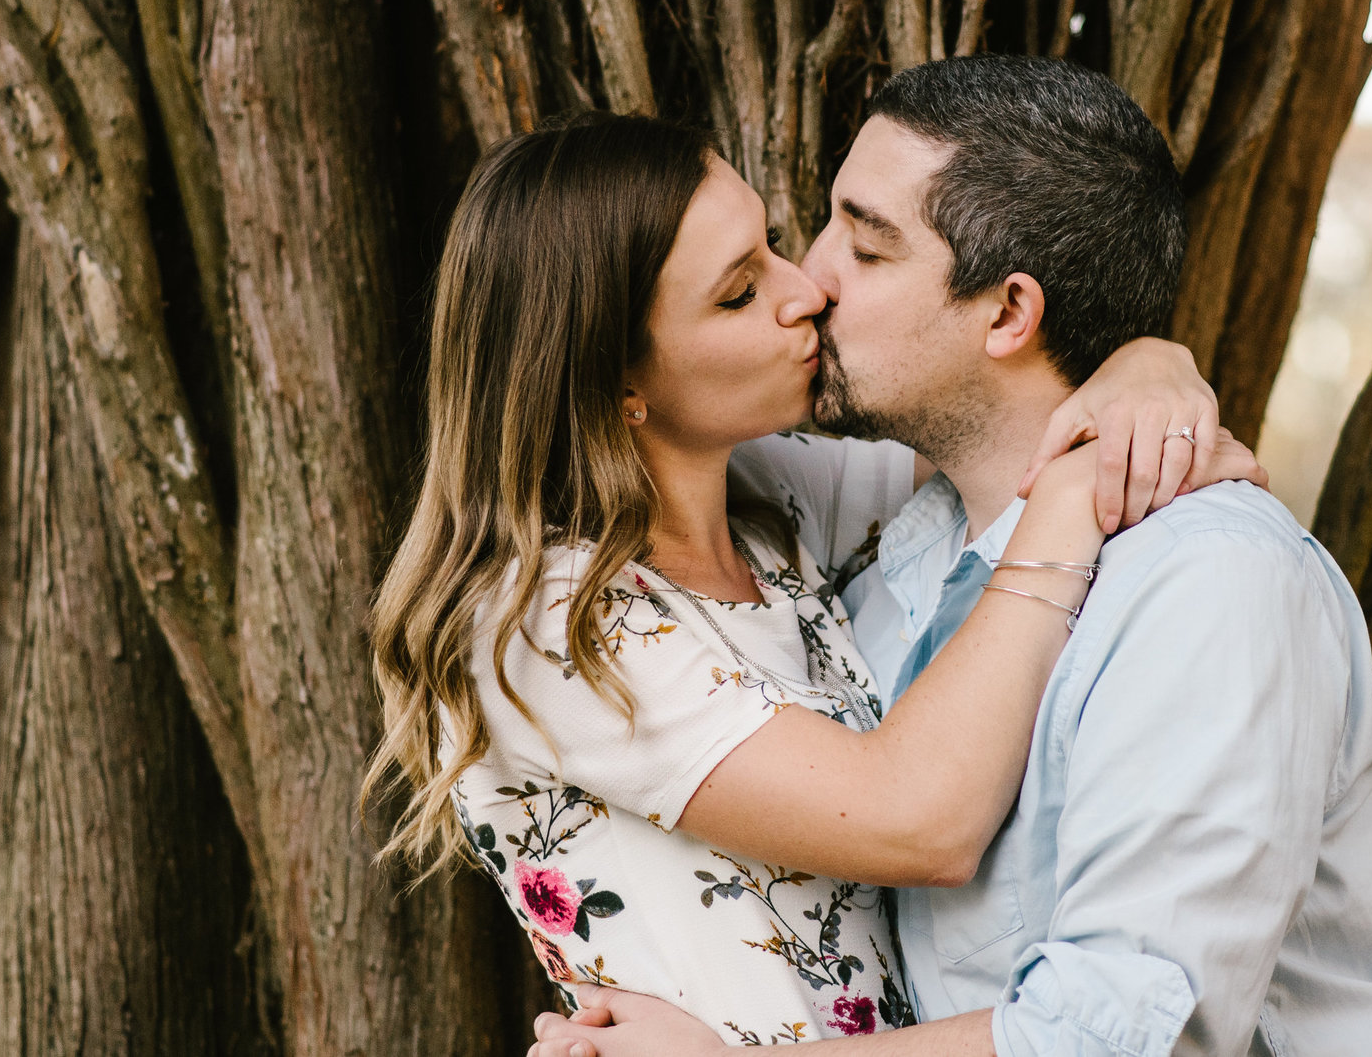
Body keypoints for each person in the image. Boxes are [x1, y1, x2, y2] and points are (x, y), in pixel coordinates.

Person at [527, 56, 1372, 1057]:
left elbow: (1116, 1040)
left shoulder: (1208, 586)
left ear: (1007, 313)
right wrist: (1143, 367)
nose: (810, 281)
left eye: (865, 251)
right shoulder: (881, 563)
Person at [365, 110, 1261, 1042]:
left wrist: (1149, 366)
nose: (806, 292)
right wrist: (1070, 503)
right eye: (739, 293)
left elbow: (999, 424)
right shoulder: (542, 620)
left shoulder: (766, 508)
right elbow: (921, 819)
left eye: (770, 248)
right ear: (615, 382)